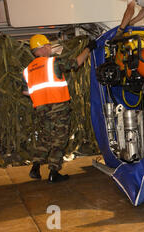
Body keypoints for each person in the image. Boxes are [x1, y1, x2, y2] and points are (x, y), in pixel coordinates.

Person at [22, 34, 95, 183]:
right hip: (59, 108)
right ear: (42, 48)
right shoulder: (52, 63)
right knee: (59, 140)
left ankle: (35, 168)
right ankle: (53, 172)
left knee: (45, 137)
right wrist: (88, 49)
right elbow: (76, 63)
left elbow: (25, 91)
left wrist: (42, 96)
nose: (50, 48)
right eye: (48, 45)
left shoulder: (27, 70)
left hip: (41, 110)